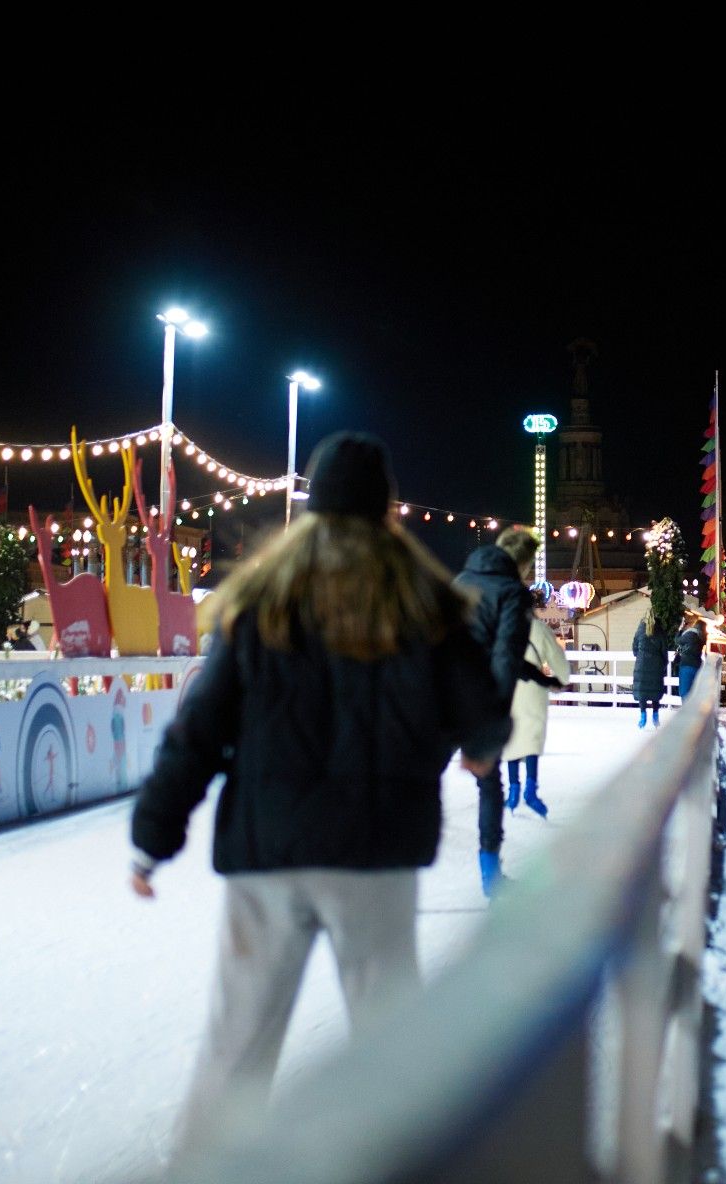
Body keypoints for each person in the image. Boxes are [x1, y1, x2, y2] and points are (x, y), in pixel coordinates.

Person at [129, 432, 511, 1155]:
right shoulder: (424, 605)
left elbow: (198, 732)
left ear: (310, 509)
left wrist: (153, 839)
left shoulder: (262, 602)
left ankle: (205, 1173)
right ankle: (406, 1165)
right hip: (374, 853)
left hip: (268, 851)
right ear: (388, 511)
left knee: (237, 1043)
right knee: (388, 1033)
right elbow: (483, 712)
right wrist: (480, 752)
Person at [457, 526, 565, 895]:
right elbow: (503, 656)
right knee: (489, 785)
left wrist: (536, 675)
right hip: (474, 698)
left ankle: (386, 876)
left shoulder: (461, 579)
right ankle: (490, 877)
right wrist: (493, 719)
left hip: (435, 693)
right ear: (524, 562)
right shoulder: (512, 594)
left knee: (419, 781)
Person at [503, 586, 571, 820]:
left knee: (512, 738)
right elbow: (556, 657)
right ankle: (531, 789)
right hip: (533, 690)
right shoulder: (539, 629)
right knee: (530, 738)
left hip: (508, 688)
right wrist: (561, 678)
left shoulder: (503, 628)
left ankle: (513, 790)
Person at [633, 612, 674, 728]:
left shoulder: (640, 631)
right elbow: (664, 651)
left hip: (641, 666)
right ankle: (655, 717)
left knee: (642, 692)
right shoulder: (660, 632)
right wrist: (663, 664)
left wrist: (641, 657)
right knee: (655, 692)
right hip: (656, 665)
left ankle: (643, 717)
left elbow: (634, 649)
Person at [673, 613, 706, 700]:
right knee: (694, 691)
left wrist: (680, 630)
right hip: (697, 665)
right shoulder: (701, 636)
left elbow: (677, 640)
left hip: (686, 665)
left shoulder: (690, 634)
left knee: (685, 691)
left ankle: (686, 710)